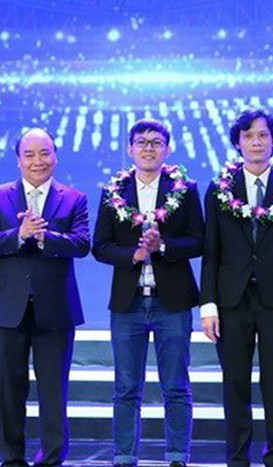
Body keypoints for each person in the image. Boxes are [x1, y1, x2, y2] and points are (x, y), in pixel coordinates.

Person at [199, 108, 273, 467]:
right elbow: (211, 250)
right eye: (248, 136)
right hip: (231, 299)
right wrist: (208, 304)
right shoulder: (219, 188)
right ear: (238, 143)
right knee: (235, 383)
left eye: (263, 135)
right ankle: (237, 458)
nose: (256, 142)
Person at [92, 118, 203, 467]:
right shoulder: (113, 191)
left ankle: (177, 455)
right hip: (128, 303)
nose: (148, 148)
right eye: (141, 142)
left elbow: (199, 240)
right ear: (130, 149)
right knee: (126, 386)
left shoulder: (185, 189)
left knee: (176, 384)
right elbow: (100, 246)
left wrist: (163, 246)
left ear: (168, 150)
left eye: (156, 142)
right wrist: (135, 255)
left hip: (173, 302)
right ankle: (124, 455)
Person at [0, 127, 89, 466]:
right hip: (5, 309)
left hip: (55, 308)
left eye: (44, 153)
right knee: (7, 390)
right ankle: (12, 457)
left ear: (55, 156)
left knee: (53, 390)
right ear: (18, 160)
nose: (37, 161)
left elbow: (82, 244)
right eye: (29, 154)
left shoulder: (74, 198)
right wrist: (19, 233)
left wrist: (44, 237)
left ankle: (52, 458)